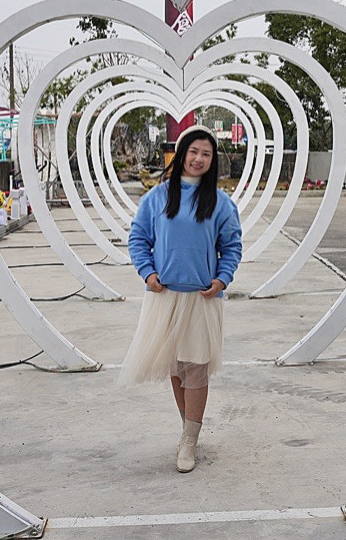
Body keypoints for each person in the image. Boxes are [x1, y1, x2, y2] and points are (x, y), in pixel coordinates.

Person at [120, 125, 243, 472]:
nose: (199, 159)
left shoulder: (220, 203)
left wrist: (222, 279)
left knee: (197, 368)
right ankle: (187, 428)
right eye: (193, 152)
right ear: (182, 154)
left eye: (206, 154)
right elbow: (138, 238)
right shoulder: (157, 197)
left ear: (213, 160)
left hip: (202, 299)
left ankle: (189, 441)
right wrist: (147, 272)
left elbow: (232, 246)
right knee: (175, 366)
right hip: (164, 298)